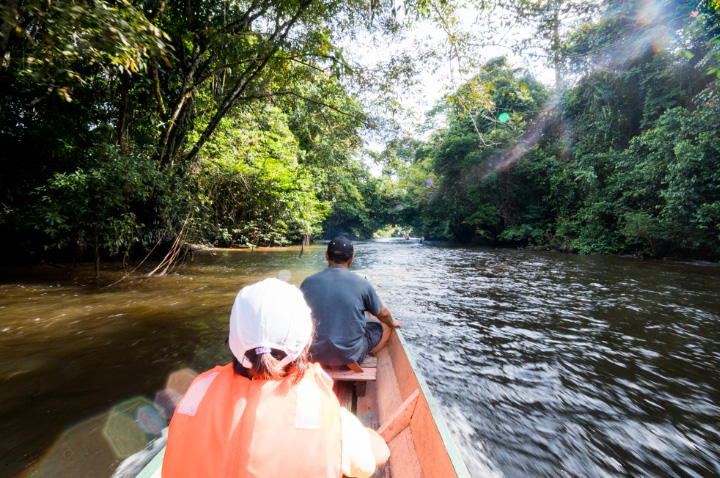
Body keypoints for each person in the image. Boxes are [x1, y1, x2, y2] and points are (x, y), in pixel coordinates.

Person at [162, 278, 390, 478]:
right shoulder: (324, 413)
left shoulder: (197, 393)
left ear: (232, 340)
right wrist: (364, 434)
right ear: (307, 341)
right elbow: (380, 454)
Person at [300, 237, 401, 368]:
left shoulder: (308, 282)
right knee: (376, 327)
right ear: (351, 259)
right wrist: (392, 323)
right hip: (349, 359)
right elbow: (383, 314)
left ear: (326, 256)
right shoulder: (362, 284)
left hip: (314, 356)